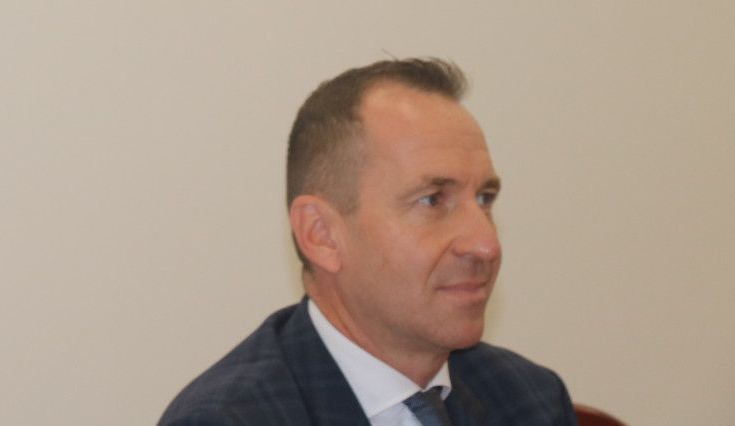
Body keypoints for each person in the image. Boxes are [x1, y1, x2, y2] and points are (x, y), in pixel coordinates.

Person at [157, 59, 575, 426]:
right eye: (432, 200)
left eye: (484, 199)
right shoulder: (228, 419)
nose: (486, 245)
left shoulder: (530, 399)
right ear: (321, 234)